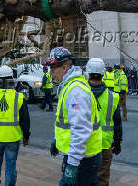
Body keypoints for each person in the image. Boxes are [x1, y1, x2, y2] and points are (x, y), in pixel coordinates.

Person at [47, 47, 102, 186]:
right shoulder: (70, 86)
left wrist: (72, 164)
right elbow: (68, 122)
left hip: (83, 160)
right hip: (82, 157)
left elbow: (81, 129)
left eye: (53, 69)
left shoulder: (75, 91)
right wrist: (57, 139)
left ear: (64, 67)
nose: (51, 73)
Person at [0, 65, 30, 186]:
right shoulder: (18, 97)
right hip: (13, 138)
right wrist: (26, 136)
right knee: (10, 165)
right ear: (12, 79)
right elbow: (25, 120)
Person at [86, 58, 122, 186]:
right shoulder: (113, 96)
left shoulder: (80, 92)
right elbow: (117, 123)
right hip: (104, 144)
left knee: (83, 178)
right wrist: (117, 142)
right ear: (104, 73)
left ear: (87, 72)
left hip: (84, 144)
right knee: (102, 179)